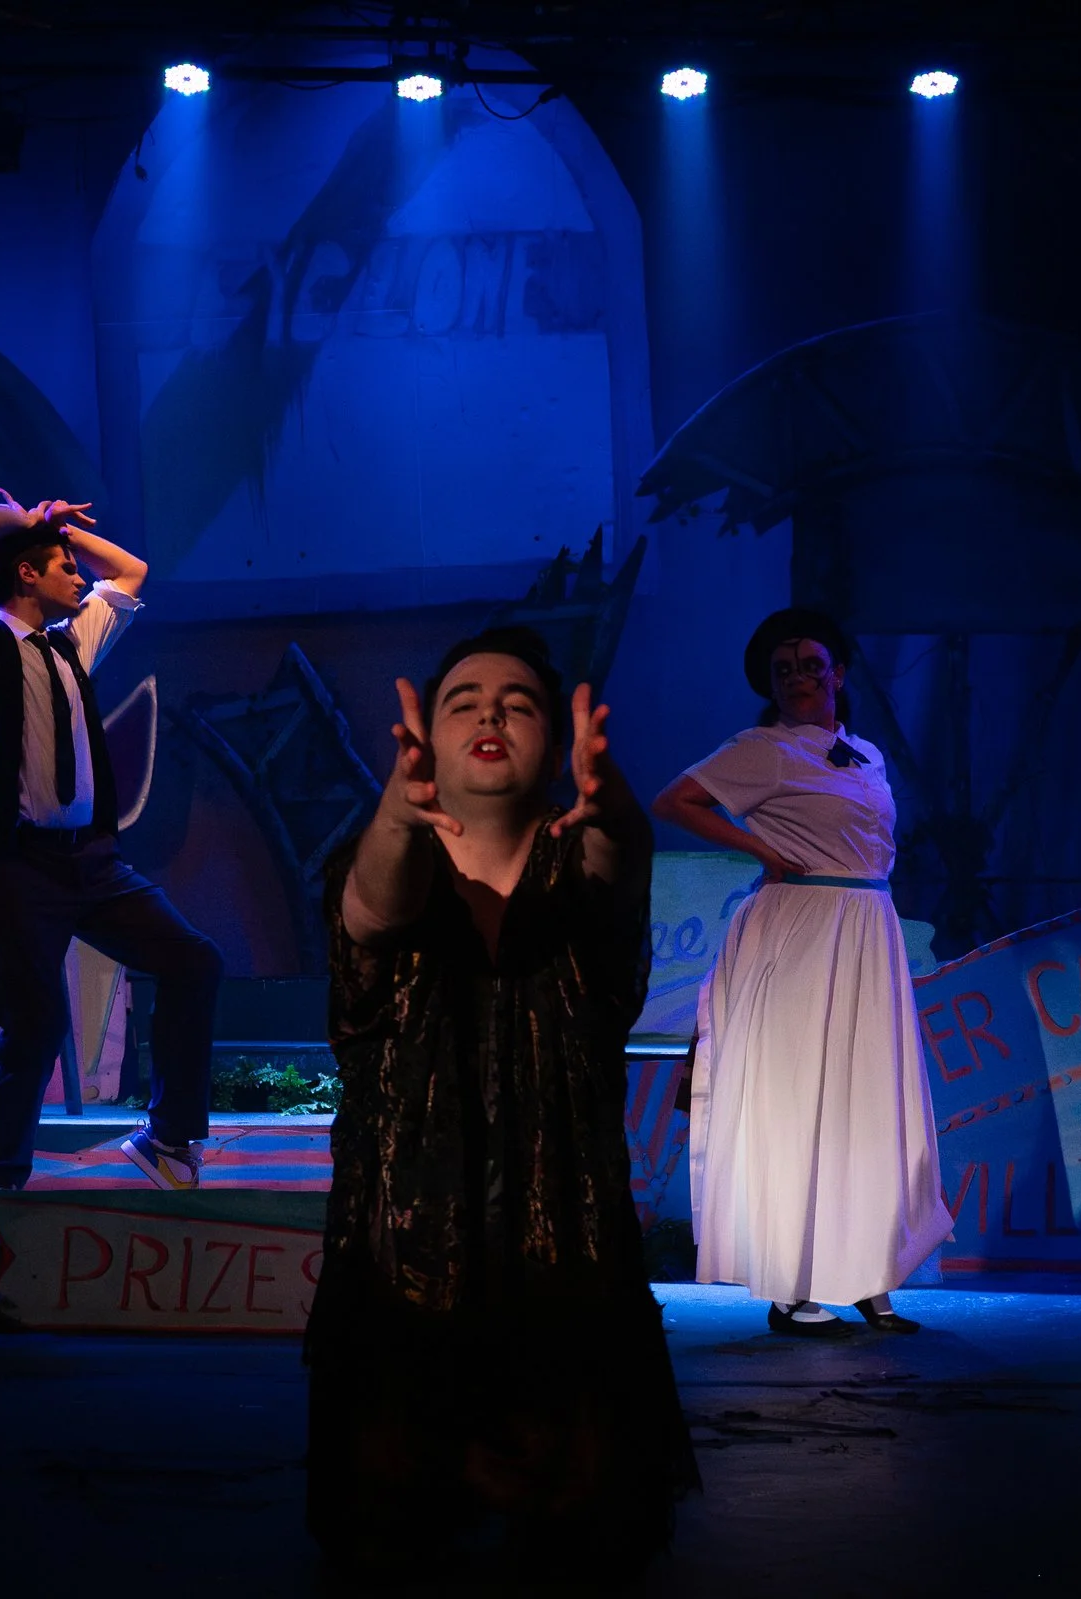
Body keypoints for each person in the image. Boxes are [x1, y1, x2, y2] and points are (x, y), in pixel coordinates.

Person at [308, 626, 698, 1577]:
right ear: (427, 743)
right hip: (405, 1276)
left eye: (518, 702)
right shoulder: (376, 860)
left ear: (555, 748)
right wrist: (398, 817)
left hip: (562, 1272)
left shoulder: (582, 868)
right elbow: (375, 910)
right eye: (464, 701)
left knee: (580, 1552)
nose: (489, 713)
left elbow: (618, 871)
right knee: (393, 1549)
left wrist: (615, 814)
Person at [652, 608, 950, 1337]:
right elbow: (675, 800)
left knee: (866, 1101)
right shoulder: (765, 749)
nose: (800, 679)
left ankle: (871, 1274)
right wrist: (759, 847)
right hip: (802, 925)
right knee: (800, 1101)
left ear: (838, 674)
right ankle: (792, 1285)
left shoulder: (867, 754)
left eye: (812, 665)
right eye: (785, 671)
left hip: (865, 927)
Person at [0, 491, 223, 1196]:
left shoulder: (70, 643)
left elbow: (130, 573)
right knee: (34, 1028)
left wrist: (61, 530)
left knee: (192, 960)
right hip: (10, 864)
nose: (80, 579)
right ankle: (1, 1190)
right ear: (26, 575)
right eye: (64, 567)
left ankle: (168, 1137)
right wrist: (29, 518)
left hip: (89, 863)